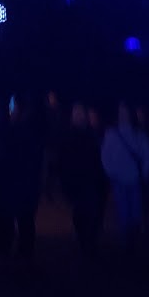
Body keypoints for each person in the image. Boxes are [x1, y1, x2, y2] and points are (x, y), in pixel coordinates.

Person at [0, 97, 41, 257]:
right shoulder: (28, 130)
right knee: (22, 220)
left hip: (14, 182)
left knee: (14, 218)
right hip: (20, 183)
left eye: (13, 107)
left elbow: (4, 152)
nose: (11, 110)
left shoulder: (17, 131)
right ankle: (21, 253)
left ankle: (11, 252)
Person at [101, 102, 149, 251]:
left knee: (135, 211)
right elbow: (105, 155)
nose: (123, 115)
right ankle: (127, 242)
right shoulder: (111, 133)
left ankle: (133, 241)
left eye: (125, 112)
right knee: (123, 210)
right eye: (121, 112)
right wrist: (111, 173)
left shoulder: (138, 134)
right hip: (119, 179)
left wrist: (144, 173)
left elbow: (148, 154)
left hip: (134, 179)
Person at [59, 102, 106, 258]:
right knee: (80, 214)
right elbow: (63, 160)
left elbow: (100, 157)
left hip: (91, 180)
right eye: (76, 113)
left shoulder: (92, 134)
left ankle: (89, 244)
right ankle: (85, 243)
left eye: (80, 113)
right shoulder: (68, 135)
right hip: (76, 181)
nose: (78, 116)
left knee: (92, 213)